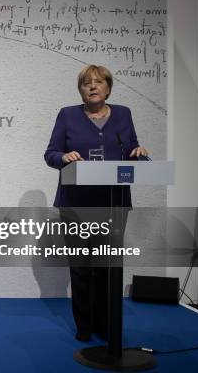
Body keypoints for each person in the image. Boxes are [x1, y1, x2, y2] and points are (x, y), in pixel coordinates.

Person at [44, 65, 147, 342]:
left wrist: (137, 153)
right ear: (80, 90)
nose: (92, 87)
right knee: (81, 268)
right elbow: (50, 154)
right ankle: (84, 327)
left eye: (98, 82)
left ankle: (106, 324)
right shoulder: (67, 115)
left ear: (108, 88)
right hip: (76, 204)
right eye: (86, 83)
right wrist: (63, 158)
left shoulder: (123, 114)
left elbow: (131, 149)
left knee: (108, 268)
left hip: (114, 204)